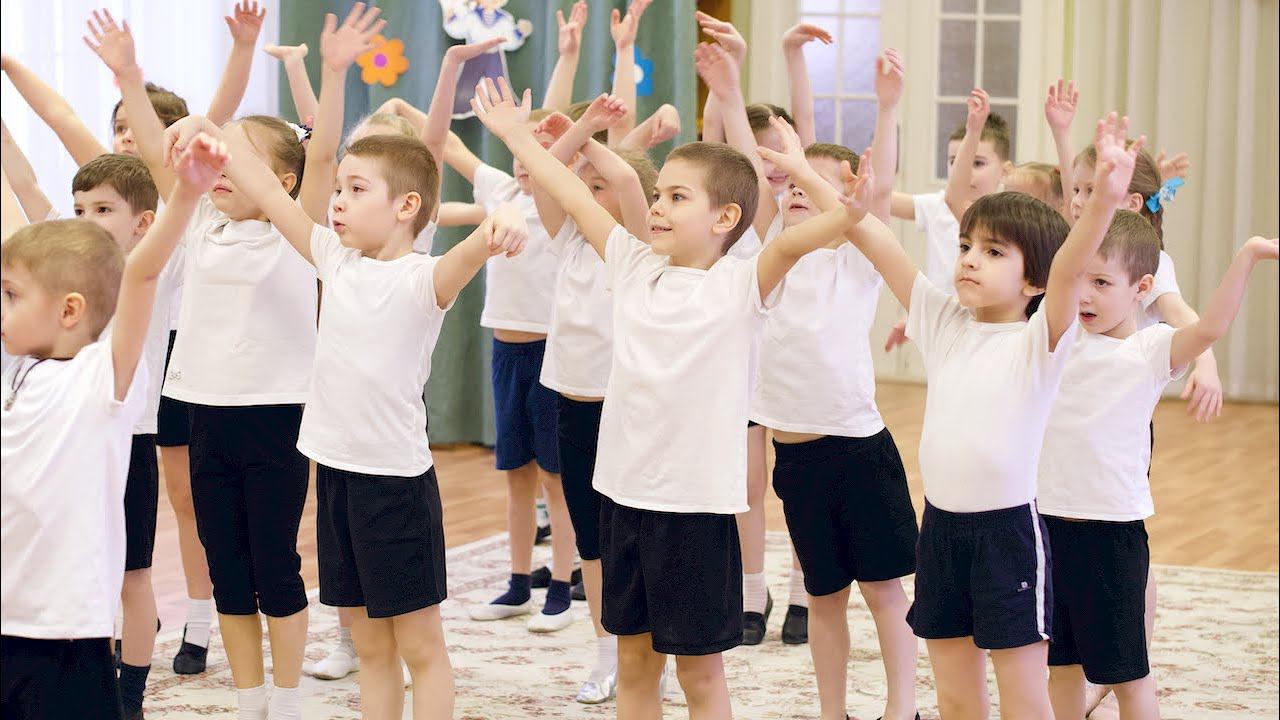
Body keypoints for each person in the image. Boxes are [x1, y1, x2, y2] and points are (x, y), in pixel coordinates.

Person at [1, 133, 228, 720]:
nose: (3, 308)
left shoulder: (101, 379)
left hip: (65, 632)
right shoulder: (15, 370)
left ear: (69, 309)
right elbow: (10, 215)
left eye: (12, 297)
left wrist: (186, 196)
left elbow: (143, 276)